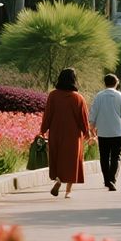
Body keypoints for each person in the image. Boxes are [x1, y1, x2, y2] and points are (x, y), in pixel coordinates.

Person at [40, 67, 91, 199]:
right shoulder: (78, 98)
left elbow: (48, 115)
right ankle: (68, 191)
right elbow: (83, 118)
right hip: (73, 135)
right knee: (71, 161)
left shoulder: (53, 95)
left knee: (57, 158)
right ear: (74, 80)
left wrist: (43, 130)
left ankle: (58, 179)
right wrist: (87, 132)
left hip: (56, 132)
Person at [89, 73, 121, 191]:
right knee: (116, 157)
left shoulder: (99, 96)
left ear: (105, 83)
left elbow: (93, 113)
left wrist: (91, 127)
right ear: (116, 83)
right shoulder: (120, 96)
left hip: (103, 132)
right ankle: (112, 180)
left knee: (104, 157)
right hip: (117, 132)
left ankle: (107, 180)